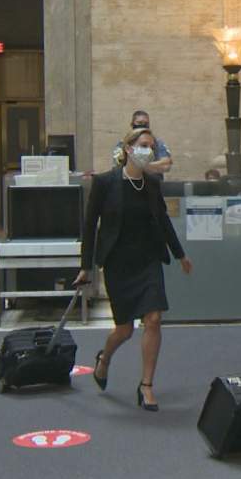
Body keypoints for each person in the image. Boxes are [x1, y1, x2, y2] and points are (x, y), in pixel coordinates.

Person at [75, 127, 193, 411]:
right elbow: (90, 226)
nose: (148, 151)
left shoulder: (152, 183)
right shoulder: (105, 183)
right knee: (125, 329)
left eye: (151, 147)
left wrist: (180, 255)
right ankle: (104, 359)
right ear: (128, 149)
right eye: (143, 145)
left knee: (153, 319)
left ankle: (146, 386)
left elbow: (163, 221)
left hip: (148, 260)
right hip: (118, 262)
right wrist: (86, 267)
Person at [129, 110, 172, 179]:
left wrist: (141, 166)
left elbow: (166, 164)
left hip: (153, 184)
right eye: (139, 123)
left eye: (146, 123)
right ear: (132, 124)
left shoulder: (157, 143)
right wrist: (153, 167)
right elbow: (120, 167)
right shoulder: (123, 144)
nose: (143, 125)